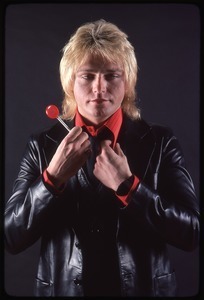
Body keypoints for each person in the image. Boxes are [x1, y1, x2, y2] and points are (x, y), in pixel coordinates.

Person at [4, 19, 199, 297]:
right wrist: (52, 179)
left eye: (111, 75)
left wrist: (129, 186)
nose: (99, 88)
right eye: (87, 75)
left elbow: (191, 233)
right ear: (70, 81)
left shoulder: (160, 142)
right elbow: (11, 237)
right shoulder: (40, 146)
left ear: (127, 81)